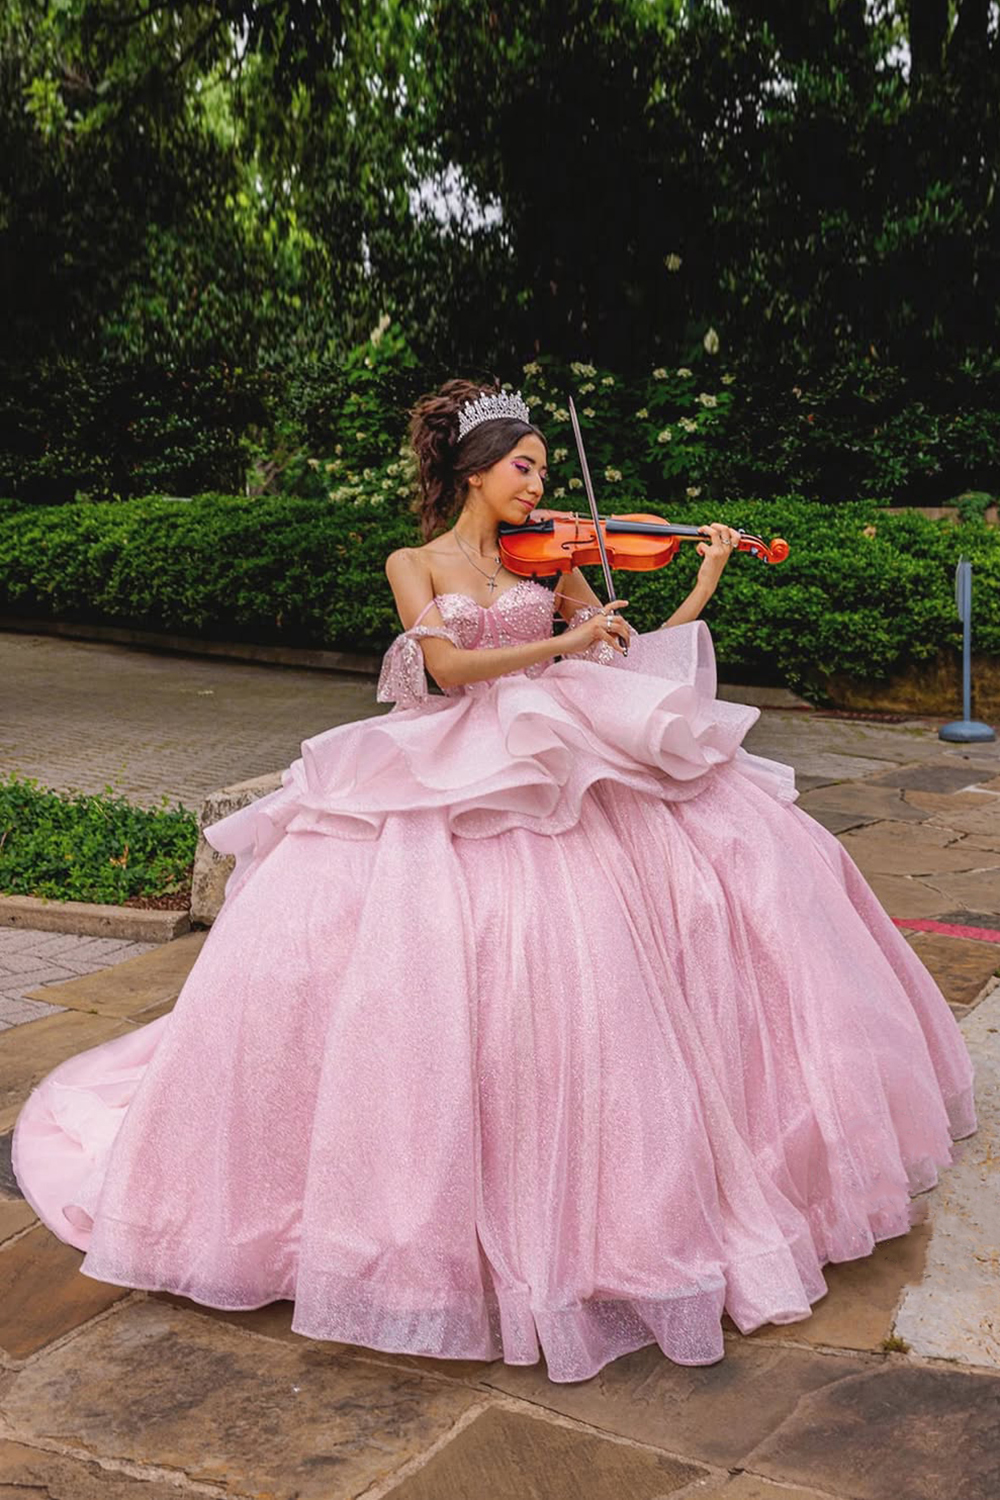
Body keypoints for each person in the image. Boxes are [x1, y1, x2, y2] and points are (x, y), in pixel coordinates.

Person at [12, 377, 977, 1385]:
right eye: (526, 468)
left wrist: (705, 580)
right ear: (475, 470)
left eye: (546, 472)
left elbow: (629, 643)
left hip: (555, 740)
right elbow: (441, 674)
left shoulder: (549, 561)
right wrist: (560, 640)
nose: (540, 489)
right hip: (457, 748)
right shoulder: (416, 563)